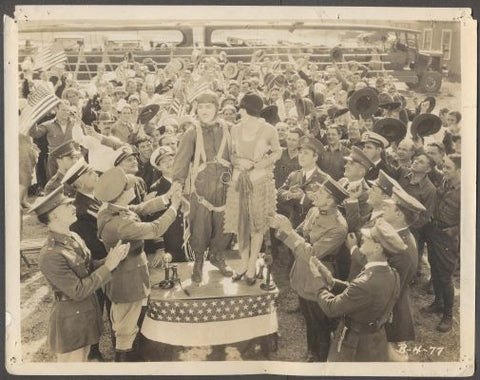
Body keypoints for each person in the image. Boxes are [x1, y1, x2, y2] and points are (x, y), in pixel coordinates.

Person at [29, 185, 129, 362]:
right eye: (67, 205)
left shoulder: (73, 237)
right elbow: (77, 290)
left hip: (85, 314)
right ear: (54, 216)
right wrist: (109, 267)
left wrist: (111, 259)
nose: (74, 207)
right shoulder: (50, 255)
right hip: (70, 322)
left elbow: (88, 268)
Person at [95, 166, 181, 361]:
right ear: (123, 194)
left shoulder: (110, 209)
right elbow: (155, 228)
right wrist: (174, 207)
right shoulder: (121, 224)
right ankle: (126, 365)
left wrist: (166, 197)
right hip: (128, 282)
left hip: (127, 276)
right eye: (131, 188)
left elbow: (139, 209)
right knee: (126, 332)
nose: (135, 189)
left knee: (131, 325)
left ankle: (135, 358)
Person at [270, 177, 349, 362]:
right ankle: (311, 352)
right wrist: (280, 228)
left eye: (320, 193)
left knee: (320, 322)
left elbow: (313, 253)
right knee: (308, 317)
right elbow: (299, 234)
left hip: (319, 277)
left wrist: (288, 232)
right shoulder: (314, 211)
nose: (315, 194)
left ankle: (320, 360)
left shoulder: (339, 227)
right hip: (302, 272)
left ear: (330, 201)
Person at [308, 218, 404, 362]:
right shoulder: (392, 273)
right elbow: (359, 293)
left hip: (354, 344)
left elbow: (331, 308)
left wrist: (316, 279)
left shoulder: (366, 282)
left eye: (368, 238)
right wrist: (332, 281)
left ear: (378, 248)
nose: (363, 238)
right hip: (375, 339)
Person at [172, 91, 234, 284]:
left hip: (225, 188)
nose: (205, 111)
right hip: (201, 191)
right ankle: (199, 260)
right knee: (199, 228)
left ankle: (217, 256)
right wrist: (177, 185)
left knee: (224, 227)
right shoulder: (191, 133)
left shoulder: (229, 129)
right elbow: (181, 162)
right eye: (201, 107)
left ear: (217, 108)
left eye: (209, 106)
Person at [224, 93, 281, 284]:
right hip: (239, 181)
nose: (240, 112)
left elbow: (277, 151)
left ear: (246, 110)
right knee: (241, 224)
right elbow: (231, 154)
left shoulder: (269, 130)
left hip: (260, 181)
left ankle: (251, 265)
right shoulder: (235, 129)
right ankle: (243, 262)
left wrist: (260, 164)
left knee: (257, 224)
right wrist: (240, 161)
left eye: (242, 109)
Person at [423, 154, 461, 333]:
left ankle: (448, 315)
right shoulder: (445, 183)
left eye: (448, 168)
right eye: (443, 166)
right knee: (435, 269)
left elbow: (470, 220)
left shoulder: (465, 191)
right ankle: (438, 302)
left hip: (447, 237)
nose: (443, 170)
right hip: (434, 232)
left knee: (445, 276)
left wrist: (452, 231)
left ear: (459, 171)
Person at [278, 136, 328, 228]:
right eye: (300, 152)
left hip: (313, 226)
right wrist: (288, 194)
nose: (301, 156)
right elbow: (279, 193)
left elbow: (326, 204)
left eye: (306, 153)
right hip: (291, 224)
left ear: (315, 157)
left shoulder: (324, 179)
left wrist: (303, 198)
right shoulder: (294, 175)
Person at [149, 146, 187, 263]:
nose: (169, 163)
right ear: (158, 167)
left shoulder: (187, 180)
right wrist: (160, 247)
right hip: (172, 242)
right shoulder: (156, 188)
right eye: (163, 161)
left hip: (192, 239)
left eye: (171, 159)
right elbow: (155, 219)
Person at [29, 100, 77, 179]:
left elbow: (84, 139)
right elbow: (35, 134)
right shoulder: (48, 125)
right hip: (55, 161)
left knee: (73, 186)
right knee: (55, 187)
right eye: (63, 110)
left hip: (71, 159)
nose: (66, 112)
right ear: (56, 110)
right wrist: (34, 119)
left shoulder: (75, 123)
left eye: (68, 110)